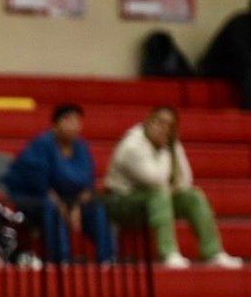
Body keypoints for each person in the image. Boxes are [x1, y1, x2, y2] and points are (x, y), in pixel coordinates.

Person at [104, 106, 243, 269]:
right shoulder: (132, 145)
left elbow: (185, 180)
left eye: (169, 126)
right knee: (160, 194)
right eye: (160, 123)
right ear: (148, 122)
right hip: (121, 203)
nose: (164, 129)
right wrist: (167, 149)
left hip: (150, 201)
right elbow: (156, 179)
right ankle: (169, 253)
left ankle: (214, 253)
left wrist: (173, 147)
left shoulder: (170, 144)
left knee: (194, 196)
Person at [1, 104, 114, 264]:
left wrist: (77, 206)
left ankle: (108, 260)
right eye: (68, 120)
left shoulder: (81, 147)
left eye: (77, 121)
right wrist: (61, 205)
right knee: (52, 208)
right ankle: (61, 261)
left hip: (70, 200)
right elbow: (37, 182)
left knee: (97, 207)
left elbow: (88, 183)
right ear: (55, 124)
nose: (74, 125)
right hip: (34, 199)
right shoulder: (42, 144)